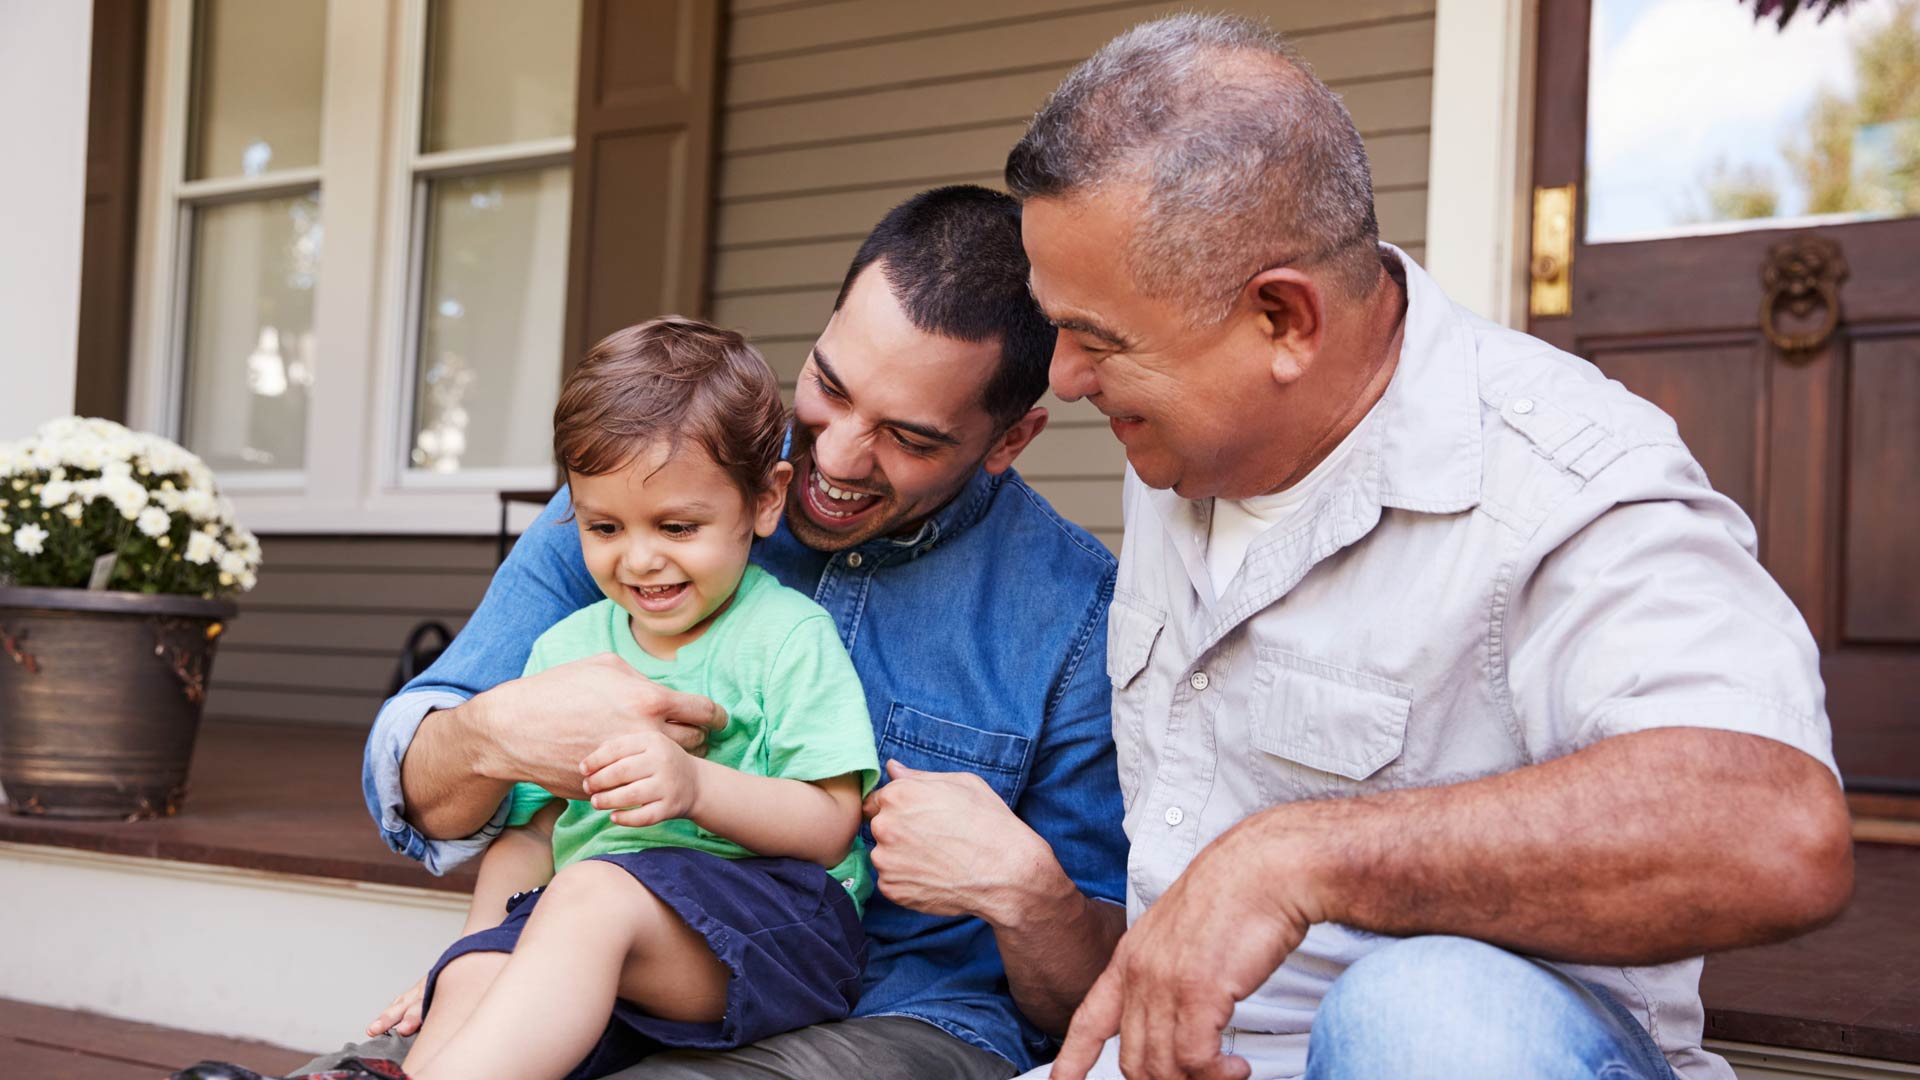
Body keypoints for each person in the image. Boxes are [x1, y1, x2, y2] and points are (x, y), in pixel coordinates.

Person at [1002, 15, 1854, 1080]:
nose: (1067, 378)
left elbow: (1773, 826)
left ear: (1283, 321)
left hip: (1467, 1056)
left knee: (1424, 1011)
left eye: (1101, 341)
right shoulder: (1180, 439)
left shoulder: (1557, 473)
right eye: (1059, 327)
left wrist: (1304, 853)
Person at [291, 186, 1129, 1080]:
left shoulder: (1075, 613)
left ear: (1010, 439)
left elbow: (1087, 993)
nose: (837, 459)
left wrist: (1025, 892)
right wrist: (493, 735)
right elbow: (432, 783)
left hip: (907, 1013)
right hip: (608, 969)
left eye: (909, 438)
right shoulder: (646, 496)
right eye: (830, 388)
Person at [182, 321, 884, 1080]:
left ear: (765, 501)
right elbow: (529, 838)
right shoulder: (568, 653)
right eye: (603, 526)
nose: (639, 558)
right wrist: (471, 955)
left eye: (678, 526)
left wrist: (697, 786)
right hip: (607, 932)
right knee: (505, 951)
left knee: (588, 894)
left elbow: (829, 824)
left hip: (781, 934)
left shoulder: (786, 637)